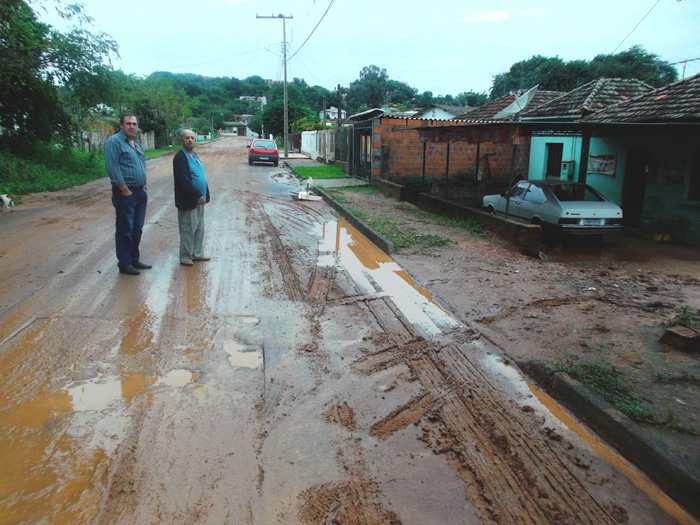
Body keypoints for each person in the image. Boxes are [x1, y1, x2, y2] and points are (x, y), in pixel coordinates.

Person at [104, 113, 151, 275]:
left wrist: (142, 187)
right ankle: (124, 263)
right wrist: (124, 190)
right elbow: (112, 167)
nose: (132, 126)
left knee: (137, 228)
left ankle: (134, 259)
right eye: (128, 123)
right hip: (125, 192)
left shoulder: (135, 143)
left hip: (139, 192)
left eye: (134, 124)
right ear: (121, 125)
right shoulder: (114, 142)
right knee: (125, 228)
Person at [173, 129, 211, 266]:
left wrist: (205, 194)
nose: (190, 140)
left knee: (199, 227)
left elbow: (200, 175)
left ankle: (197, 254)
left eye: (192, 138)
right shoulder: (180, 157)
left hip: (199, 199)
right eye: (186, 138)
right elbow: (183, 180)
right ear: (180, 140)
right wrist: (196, 195)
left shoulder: (194, 155)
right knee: (188, 228)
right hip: (189, 200)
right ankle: (185, 257)